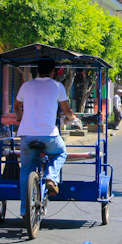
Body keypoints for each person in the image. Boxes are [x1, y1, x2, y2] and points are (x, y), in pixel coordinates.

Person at [14, 59, 78, 218]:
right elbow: (66, 110)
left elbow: (16, 107)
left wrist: (21, 118)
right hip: (49, 136)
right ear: (53, 71)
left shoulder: (26, 85)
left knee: (25, 171)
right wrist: (72, 117)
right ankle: (51, 176)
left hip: (27, 136)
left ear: (37, 70)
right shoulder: (57, 86)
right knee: (61, 152)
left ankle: (24, 210)